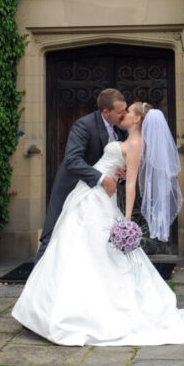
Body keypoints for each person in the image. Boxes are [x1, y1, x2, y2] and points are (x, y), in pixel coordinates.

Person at [12, 102, 184, 346]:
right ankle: (51, 308)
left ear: (138, 118)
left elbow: (131, 184)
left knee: (89, 251)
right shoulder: (125, 136)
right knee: (71, 246)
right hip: (88, 193)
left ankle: (81, 312)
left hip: (99, 200)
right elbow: (113, 166)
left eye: (129, 111)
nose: (125, 115)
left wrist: (127, 220)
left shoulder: (136, 142)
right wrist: (113, 174)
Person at [35, 87, 128, 261]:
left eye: (125, 110)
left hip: (99, 196)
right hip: (72, 188)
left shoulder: (120, 130)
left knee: (92, 240)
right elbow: (72, 160)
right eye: (120, 112)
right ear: (106, 112)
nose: (124, 115)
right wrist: (101, 179)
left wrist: (121, 176)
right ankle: (36, 283)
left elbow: (113, 162)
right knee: (55, 234)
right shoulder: (84, 125)